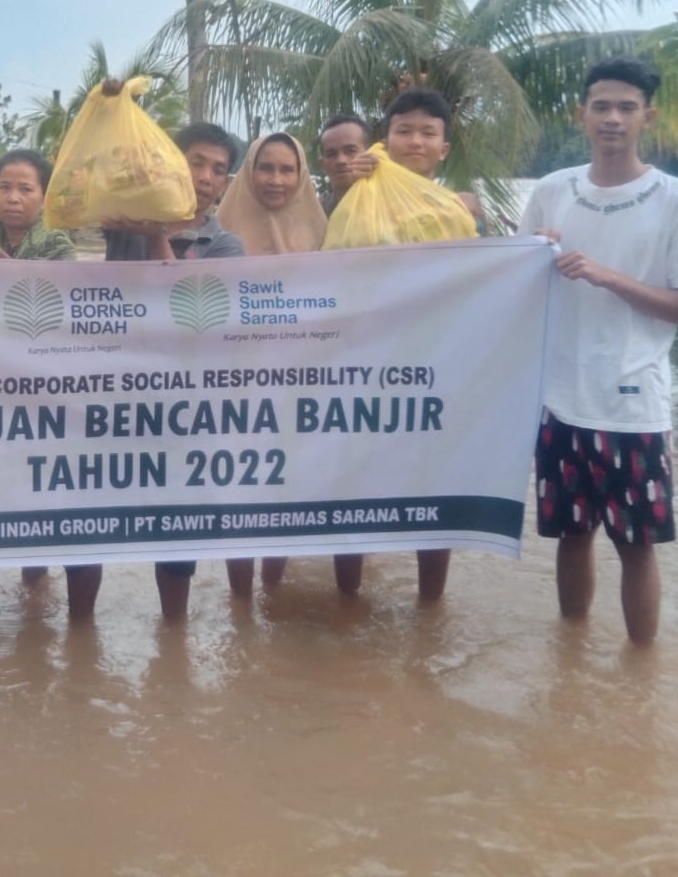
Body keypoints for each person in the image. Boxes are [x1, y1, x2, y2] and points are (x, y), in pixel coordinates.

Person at [520, 57, 678, 645]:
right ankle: (572, 661)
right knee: (570, 537)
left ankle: (640, 670)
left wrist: (609, 277)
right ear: (581, 115)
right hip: (559, 401)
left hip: (633, 406)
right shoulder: (553, 191)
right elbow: (516, 282)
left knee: (636, 547)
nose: (612, 118)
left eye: (626, 107)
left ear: (646, 117)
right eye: (600, 106)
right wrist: (532, 253)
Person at [105, 120, 246, 623]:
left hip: (185, 406)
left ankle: (174, 638)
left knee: (176, 524)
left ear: (227, 183)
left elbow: (192, 313)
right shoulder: (122, 223)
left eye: (218, 170)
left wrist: (155, 238)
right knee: (89, 508)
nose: (206, 177)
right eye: (195, 162)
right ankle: (79, 634)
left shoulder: (227, 248)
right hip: (113, 395)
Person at [338, 88, 474, 600]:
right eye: (404, 130)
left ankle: (430, 604)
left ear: (444, 148)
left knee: (433, 487)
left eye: (427, 133)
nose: (415, 140)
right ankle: (347, 597)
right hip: (364, 366)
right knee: (352, 485)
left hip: (435, 367)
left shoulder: (460, 211)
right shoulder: (359, 197)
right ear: (386, 139)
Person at [216, 132, 327, 594]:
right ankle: (240, 598)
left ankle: (272, 589)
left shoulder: (328, 233)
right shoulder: (219, 232)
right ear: (247, 173)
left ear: (302, 175)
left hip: (301, 385)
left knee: (287, 490)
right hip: (231, 388)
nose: (276, 180)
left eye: (287, 169)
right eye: (265, 168)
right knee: (239, 491)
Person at [0, 149, 90, 607]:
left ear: (44, 197)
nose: (13, 198)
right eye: (5, 186)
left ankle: (35, 584)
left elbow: (51, 301)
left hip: (44, 387)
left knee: (39, 488)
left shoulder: (58, 244)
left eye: (26, 189)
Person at [316, 113, 369, 215]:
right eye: (332, 154)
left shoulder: (392, 204)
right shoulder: (315, 213)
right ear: (323, 164)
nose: (341, 160)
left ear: (369, 154)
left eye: (350, 150)